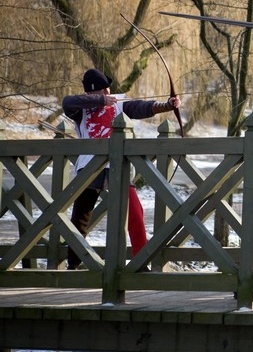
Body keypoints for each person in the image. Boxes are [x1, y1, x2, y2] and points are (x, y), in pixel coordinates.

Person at [63, 68, 181, 270]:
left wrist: (167, 106)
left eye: (107, 89)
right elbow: (67, 103)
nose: (108, 93)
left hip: (118, 165)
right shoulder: (80, 108)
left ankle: (140, 262)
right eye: (102, 91)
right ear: (92, 93)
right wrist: (99, 102)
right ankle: (73, 263)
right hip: (90, 166)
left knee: (135, 212)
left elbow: (141, 107)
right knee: (81, 218)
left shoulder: (118, 103)